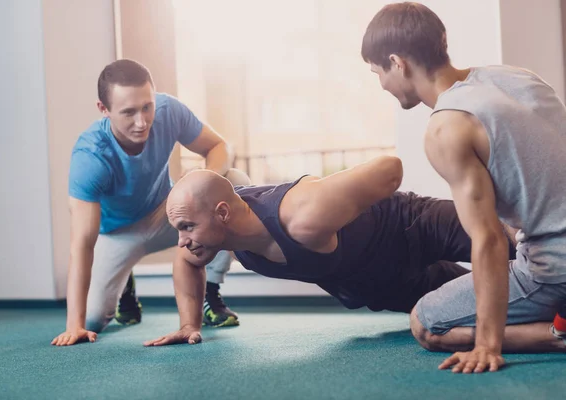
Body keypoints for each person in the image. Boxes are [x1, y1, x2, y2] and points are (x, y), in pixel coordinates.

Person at [362, 2, 566, 373]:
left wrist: (487, 343)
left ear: (398, 62)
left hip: (556, 268)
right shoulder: (517, 78)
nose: (382, 84)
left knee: (425, 322)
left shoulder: (446, 127)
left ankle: (558, 332)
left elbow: (486, 238)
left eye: (378, 72)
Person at [141, 159, 515, 347]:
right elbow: (187, 263)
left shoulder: (301, 213)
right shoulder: (214, 238)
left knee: (513, 242)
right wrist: (190, 324)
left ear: (222, 214)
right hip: (386, 284)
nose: (183, 241)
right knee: (505, 300)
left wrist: (331, 195)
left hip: (409, 225)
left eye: (187, 228)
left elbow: (389, 168)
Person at [51, 59, 246, 347]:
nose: (142, 122)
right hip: (117, 234)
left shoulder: (169, 111)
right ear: (103, 110)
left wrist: (202, 188)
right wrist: (74, 326)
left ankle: (209, 294)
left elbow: (219, 146)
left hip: (164, 213)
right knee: (91, 320)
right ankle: (124, 284)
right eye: (128, 112)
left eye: (147, 107)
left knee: (236, 181)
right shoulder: (90, 157)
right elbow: (82, 244)